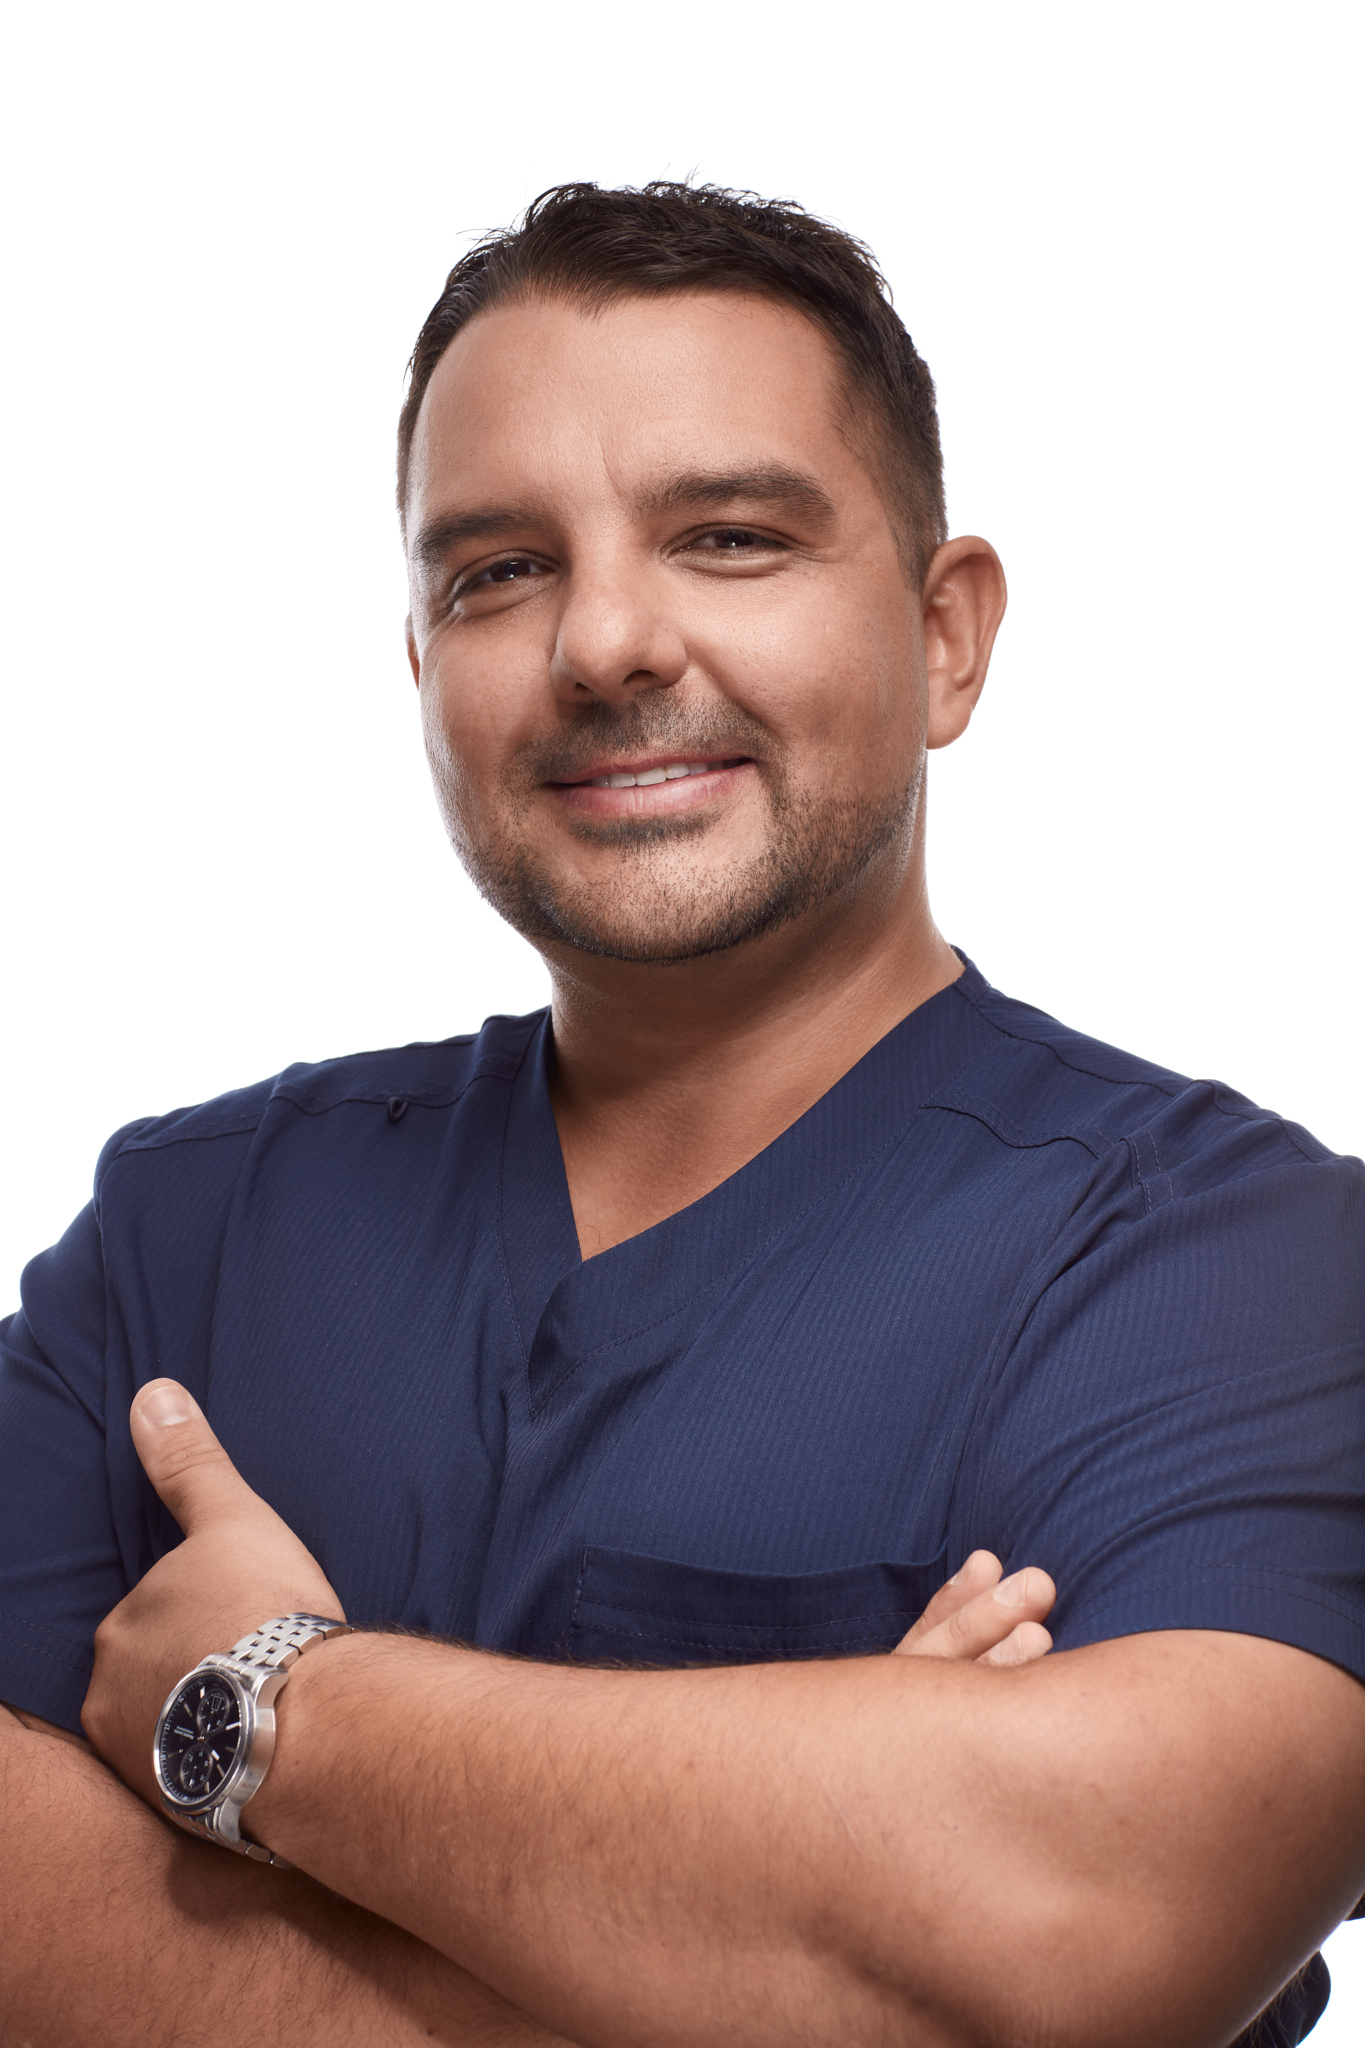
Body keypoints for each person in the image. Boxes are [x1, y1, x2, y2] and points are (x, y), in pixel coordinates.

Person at [2, 182, 1362, 2048]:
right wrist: (800, 1914)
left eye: (727, 538)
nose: (604, 641)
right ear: (423, 668)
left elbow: (1084, 1927)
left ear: (946, 635)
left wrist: (262, 1708)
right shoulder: (191, 1234)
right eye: (497, 571)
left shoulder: (1233, 1269)